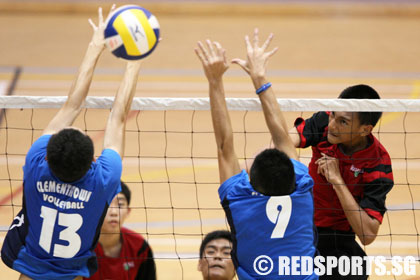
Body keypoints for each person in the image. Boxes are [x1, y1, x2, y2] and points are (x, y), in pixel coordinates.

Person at [1, 6, 146, 280]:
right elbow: (117, 118)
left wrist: (94, 46)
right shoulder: (103, 179)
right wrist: (134, 61)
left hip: (28, 270)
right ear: (93, 160)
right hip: (73, 274)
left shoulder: (35, 164)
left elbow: (72, 105)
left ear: (48, 154)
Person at [195, 29, 318, 279]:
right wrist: (260, 77)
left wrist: (215, 80)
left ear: (251, 182)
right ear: (291, 174)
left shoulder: (239, 199)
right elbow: (281, 136)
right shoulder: (303, 187)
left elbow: (224, 145)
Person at [290, 85, 394, 279]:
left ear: (365, 130)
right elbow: (284, 141)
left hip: (337, 240)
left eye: (343, 122)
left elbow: (367, 234)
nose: (332, 125)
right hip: (300, 229)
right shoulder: (324, 122)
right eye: (333, 115)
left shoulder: (378, 164)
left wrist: (337, 181)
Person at [84, 181, 156, 280]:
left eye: (120, 205)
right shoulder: (82, 246)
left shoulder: (139, 247)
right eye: (107, 204)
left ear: (128, 211)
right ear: (95, 209)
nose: (114, 212)